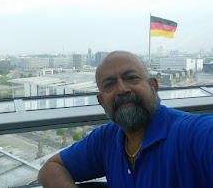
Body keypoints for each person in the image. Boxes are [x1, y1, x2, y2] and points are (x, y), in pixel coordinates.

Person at [38, 51, 213, 188]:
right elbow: (49, 170)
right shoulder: (106, 138)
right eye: (109, 85)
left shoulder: (193, 134)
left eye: (131, 78)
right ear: (101, 101)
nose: (122, 89)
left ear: (154, 86)